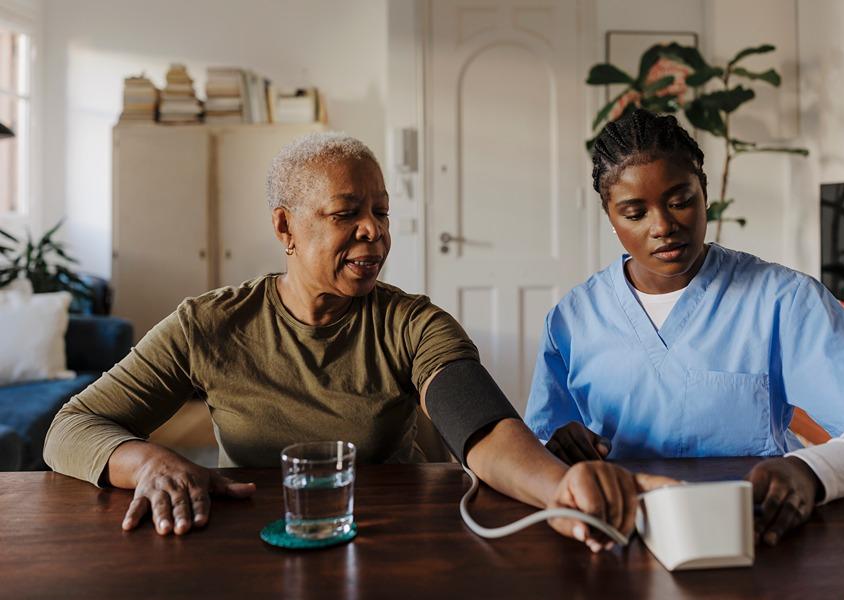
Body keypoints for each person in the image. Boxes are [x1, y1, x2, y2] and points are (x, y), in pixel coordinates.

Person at [44, 132, 671, 551]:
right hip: (247, 544)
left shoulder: (413, 324)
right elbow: (72, 427)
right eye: (347, 214)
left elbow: (481, 428)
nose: (374, 231)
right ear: (286, 228)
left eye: (382, 211)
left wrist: (558, 492)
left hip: (385, 544)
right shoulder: (208, 325)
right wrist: (148, 461)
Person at [525, 109, 844, 547]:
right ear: (610, 216)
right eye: (634, 213)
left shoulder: (782, 299)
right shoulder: (572, 320)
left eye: (680, 200)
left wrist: (811, 471)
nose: (663, 226)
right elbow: (532, 462)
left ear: (704, 190)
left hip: (757, 535)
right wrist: (557, 448)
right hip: (620, 538)